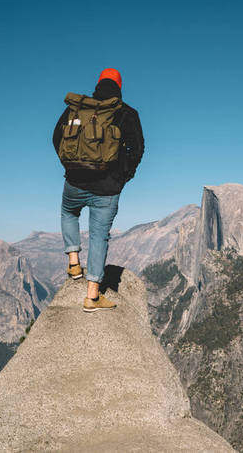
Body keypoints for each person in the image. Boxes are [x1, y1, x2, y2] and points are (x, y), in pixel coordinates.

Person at [52, 68, 144, 312]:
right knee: (98, 237)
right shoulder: (126, 113)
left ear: (98, 84)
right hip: (107, 188)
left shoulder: (77, 108)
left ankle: (73, 263)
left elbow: (56, 138)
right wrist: (122, 177)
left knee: (69, 213)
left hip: (75, 181)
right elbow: (137, 149)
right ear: (119, 87)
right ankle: (92, 297)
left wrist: (71, 166)